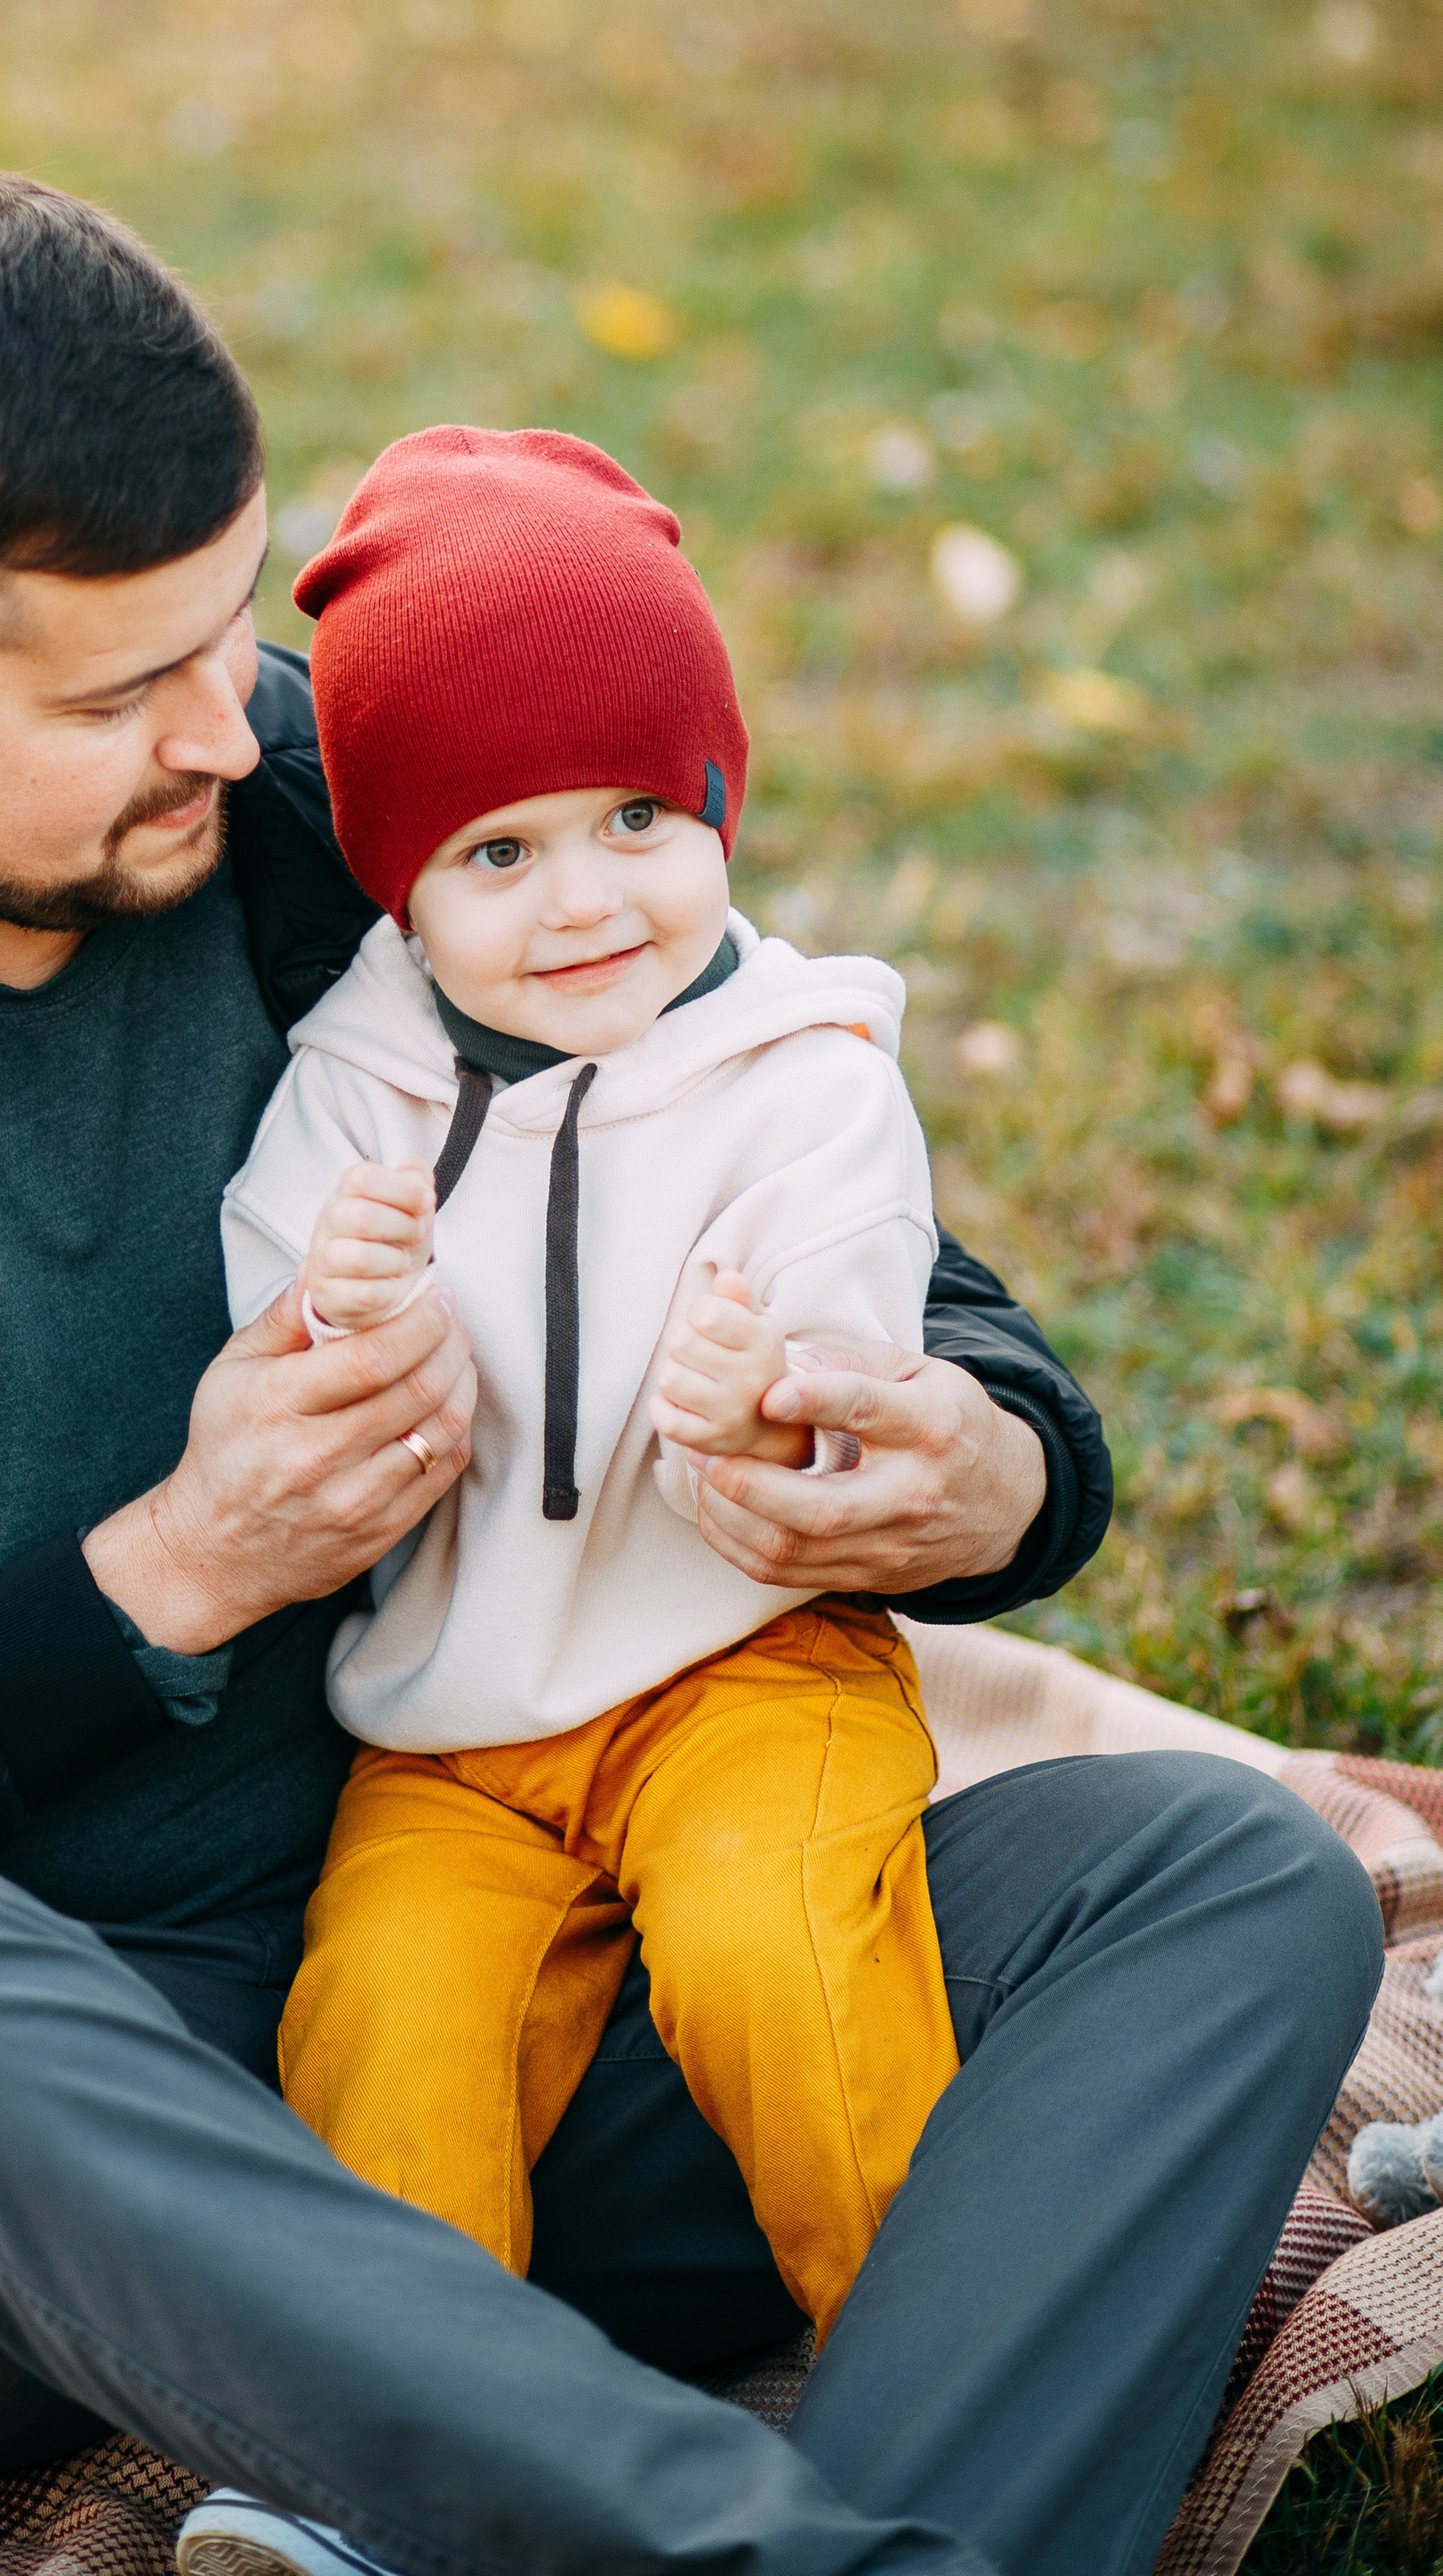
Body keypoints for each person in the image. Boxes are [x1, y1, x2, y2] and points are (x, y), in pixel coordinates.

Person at [0, 171, 1380, 2576]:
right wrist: (161, 1579)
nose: (235, 729)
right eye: (116, 697)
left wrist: (988, 1463)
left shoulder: (329, 794)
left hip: (440, 2009)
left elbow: (817, 1175)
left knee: (1222, 1884)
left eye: (232, 625)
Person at [221, 425, 954, 2370]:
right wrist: (338, 1310)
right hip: (451, 1727)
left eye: (638, 815)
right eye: (496, 851)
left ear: (718, 793)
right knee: (384, 2014)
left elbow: (862, 1326)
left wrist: (776, 1383)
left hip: (742, 1664)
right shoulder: (355, 1085)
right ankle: (398, 2455)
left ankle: (948, 2367)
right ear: (398, 888)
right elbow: (273, 1361)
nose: (584, 902)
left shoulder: (799, 1067)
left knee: (782, 1956)